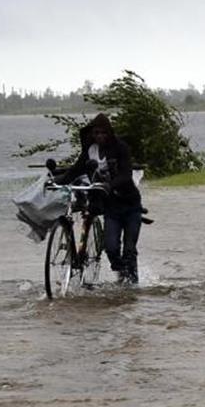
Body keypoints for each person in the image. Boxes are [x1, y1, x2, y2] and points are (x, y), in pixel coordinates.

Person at [55, 113, 144, 284]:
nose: (100, 136)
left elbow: (126, 174)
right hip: (111, 207)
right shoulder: (90, 150)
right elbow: (76, 170)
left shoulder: (121, 148)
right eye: (96, 133)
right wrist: (56, 181)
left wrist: (110, 185)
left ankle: (132, 288)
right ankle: (122, 275)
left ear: (110, 133)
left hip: (130, 204)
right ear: (92, 134)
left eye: (104, 133)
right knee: (110, 248)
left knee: (130, 250)